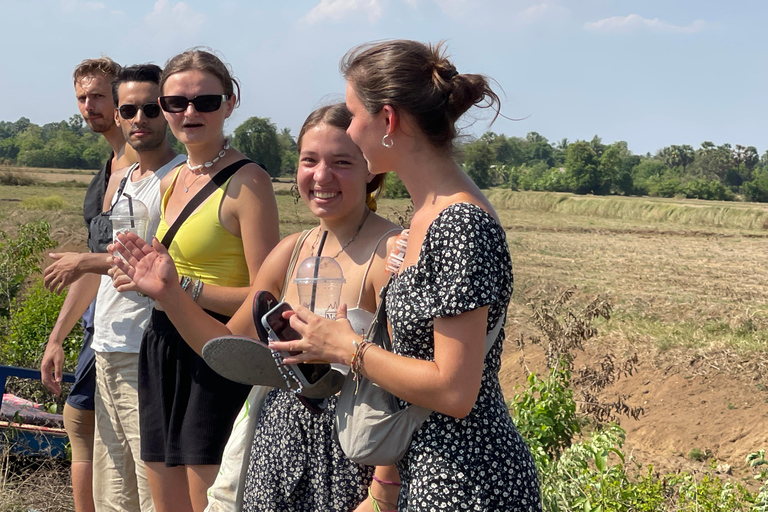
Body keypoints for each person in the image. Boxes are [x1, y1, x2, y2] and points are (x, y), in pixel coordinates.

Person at [268, 40, 542, 511]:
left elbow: (454, 391)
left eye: (354, 115)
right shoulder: (426, 217)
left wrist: (344, 347)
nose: (350, 131)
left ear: (389, 120)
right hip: (436, 471)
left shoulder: (460, 224)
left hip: (468, 482)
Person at [111, 104, 402, 511]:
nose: (321, 176)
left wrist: (384, 490)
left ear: (372, 168)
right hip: (276, 445)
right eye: (309, 161)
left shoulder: (391, 254)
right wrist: (169, 293)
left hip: (355, 454)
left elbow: (411, 388)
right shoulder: (292, 250)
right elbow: (229, 347)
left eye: (342, 162)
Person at [127, 48, 279, 512]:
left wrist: (182, 289)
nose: (189, 112)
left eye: (205, 102)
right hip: (162, 344)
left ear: (230, 103)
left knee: (209, 499)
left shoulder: (248, 182)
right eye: (175, 103)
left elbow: (264, 297)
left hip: (216, 350)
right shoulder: (174, 180)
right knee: (165, 498)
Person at [40, 56, 138, 512]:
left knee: (106, 435)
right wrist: (57, 337)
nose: (88, 106)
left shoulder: (145, 165)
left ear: (120, 99)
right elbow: (90, 271)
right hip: (99, 327)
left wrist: (83, 260)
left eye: (98, 95)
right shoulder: (105, 170)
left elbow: (131, 261)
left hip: (136, 330)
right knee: (81, 423)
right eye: (82, 97)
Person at [92, 63, 188, 512]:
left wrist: (81, 261)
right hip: (108, 341)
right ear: (117, 115)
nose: (139, 118)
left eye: (152, 108)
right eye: (128, 109)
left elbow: (156, 266)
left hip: (144, 345)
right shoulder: (127, 178)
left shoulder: (179, 179)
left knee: (152, 488)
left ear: (167, 112)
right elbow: (117, 262)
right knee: (111, 488)